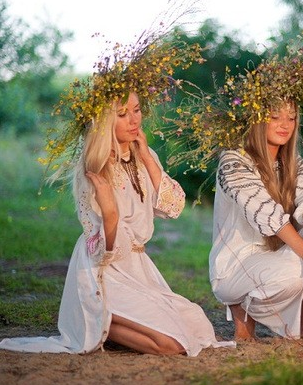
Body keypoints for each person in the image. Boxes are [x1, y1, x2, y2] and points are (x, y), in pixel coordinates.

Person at [0, 32, 234, 355]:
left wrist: (149, 157)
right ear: (105, 121)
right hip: (102, 275)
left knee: (196, 326)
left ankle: (109, 325)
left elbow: (175, 206)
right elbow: (101, 253)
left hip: (139, 270)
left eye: (136, 110)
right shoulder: (95, 167)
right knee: (169, 345)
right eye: (122, 114)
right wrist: (110, 214)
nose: (133, 120)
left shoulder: (142, 158)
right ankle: (100, 319)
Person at [164, 31, 303, 341]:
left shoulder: (291, 162)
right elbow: (265, 214)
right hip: (234, 266)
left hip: (272, 257)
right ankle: (241, 308)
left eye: (292, 118)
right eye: (274, 116)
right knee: (295, 274)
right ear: (257, 117)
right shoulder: (234, 161)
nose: (284, 124)